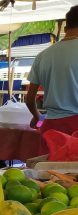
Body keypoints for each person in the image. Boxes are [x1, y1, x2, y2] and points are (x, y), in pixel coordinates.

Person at [25, 5, 78, 135]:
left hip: (51, 128)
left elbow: (30, 99)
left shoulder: (42, 56)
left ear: (65, 28)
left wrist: (37, 116)